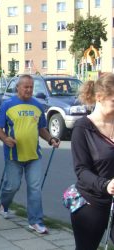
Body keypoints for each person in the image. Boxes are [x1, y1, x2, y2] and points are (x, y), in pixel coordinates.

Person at [0, 74, 60, 234]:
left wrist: (51, 139)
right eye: (26, 87)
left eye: (31, 87)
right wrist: (5, 139)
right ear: (18, 87)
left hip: (33, 155)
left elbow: (41, 128)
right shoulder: (8, 105)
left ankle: (35, 221)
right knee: (12, 186)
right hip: (13, 155)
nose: (29, 89)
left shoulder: (37, 105)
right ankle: (4, 203)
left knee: (35, 188)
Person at [70, 74, 114, 250]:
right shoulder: (82, 129)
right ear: (99, 97)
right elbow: (81, 171)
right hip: (91, 202)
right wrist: (106, 185)